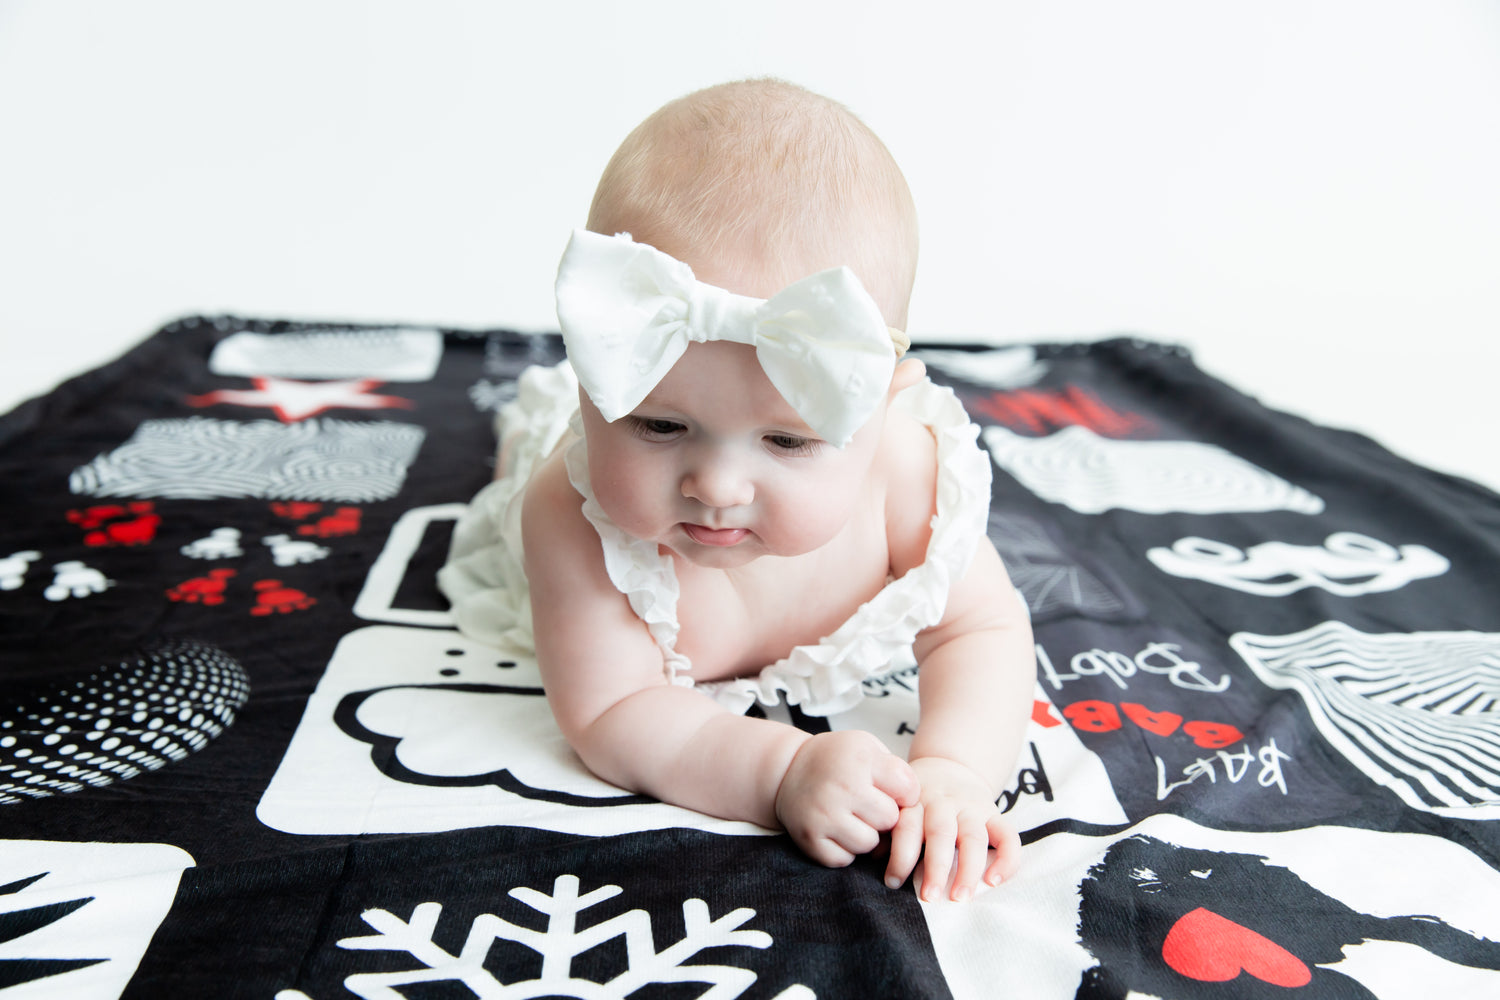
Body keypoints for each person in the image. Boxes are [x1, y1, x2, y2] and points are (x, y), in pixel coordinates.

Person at [440, 78, 1036, 902]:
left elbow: (983, 627)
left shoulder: (909, 472)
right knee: (519, 454)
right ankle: (531, 420)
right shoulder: (574, 519)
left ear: (878, 409)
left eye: (788, 440)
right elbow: (613, 714)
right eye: (658, 425)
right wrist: (781, 769)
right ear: (592, 382)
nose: (716, 486)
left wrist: (955, 769)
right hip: (555, 513)